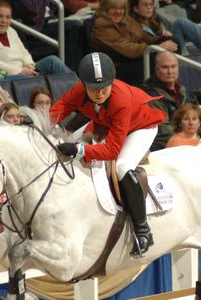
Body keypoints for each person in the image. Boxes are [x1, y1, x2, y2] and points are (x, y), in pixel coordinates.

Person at [51, 52, 167, 256]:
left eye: (104, 86)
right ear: (84, 84)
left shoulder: (119, 99)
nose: (99, 93)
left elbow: (112, 150)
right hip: (107, 123)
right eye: (93, 88)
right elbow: (59, 109)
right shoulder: (79, 90)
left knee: (122, 167)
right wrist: (37, 124)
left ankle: (143, 230)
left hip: (140, 128)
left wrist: (79, 150)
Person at [0, 0, 71, 81]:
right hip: (4, 75)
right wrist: (20, 70)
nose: (4, 21)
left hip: (25, 71)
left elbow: (24, 52)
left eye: (7, 17)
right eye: (0, 17)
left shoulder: (11, 31)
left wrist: (30, 64)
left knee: (52, 61)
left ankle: (79, 89)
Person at [91, 0, 178, 85]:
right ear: (105, 10)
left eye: (121, 8)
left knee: (174, 42)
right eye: (114, 8)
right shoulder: (102, 27)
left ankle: (171, 87)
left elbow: (146, 38)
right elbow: (128, 49)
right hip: (118, 65)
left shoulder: (127, 21)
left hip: (133, 59)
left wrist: (162, 39)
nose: (118, 12)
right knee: (156, 58)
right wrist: (158, 47)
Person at [142, 51, 199, 151]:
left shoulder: (185, 91)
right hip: (165, 150)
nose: (170, 71)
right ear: (155, 69)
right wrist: (190, 139)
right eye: (165, 67)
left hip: (190, 144)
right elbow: (162, 131)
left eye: (173, 67)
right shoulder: (150, 94)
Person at [132, 0, 201, 55]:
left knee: (180, 22)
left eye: (151, 4)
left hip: (173, 46)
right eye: (145, 5)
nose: (149, 7)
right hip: (158, 53)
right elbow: (144, 43)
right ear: (136, 9)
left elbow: (180, 12)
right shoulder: (135, 27)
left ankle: (186, 57)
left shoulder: (158, 19)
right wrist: (162, 38)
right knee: (180, 22)